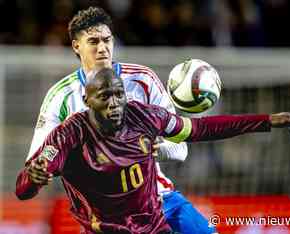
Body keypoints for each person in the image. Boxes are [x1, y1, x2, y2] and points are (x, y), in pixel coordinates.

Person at [16, 68, 290, 233]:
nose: (115, 102)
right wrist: (33, 178)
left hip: (155, 224)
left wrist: (268, 121)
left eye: (119, 94)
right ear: (87, 99)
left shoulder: (143, 116)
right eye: (105, 96)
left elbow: (201, 129)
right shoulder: (69, 133)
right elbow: (24, 189)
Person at [24, 6, 214, 234]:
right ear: (76, 46)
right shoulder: (60, 97)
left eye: (107, 40)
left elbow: (180, 148)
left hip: (160, 199)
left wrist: (158, 149)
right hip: (107, 218)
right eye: (93, 42)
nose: (102, 48)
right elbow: (37, 161)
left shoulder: (143, 80)